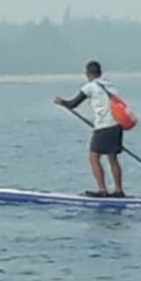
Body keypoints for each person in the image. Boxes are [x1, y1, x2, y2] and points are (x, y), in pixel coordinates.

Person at [53, 60, 125, 198]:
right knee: (112, 158)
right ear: (100, 73)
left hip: (103, 126)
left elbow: (73, 104)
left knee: (94, 157)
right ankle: (119, 190)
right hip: (117, 126)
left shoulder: (90, 87)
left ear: (87, 74)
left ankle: (102, 190)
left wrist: (61, 102)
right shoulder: (111, 86)